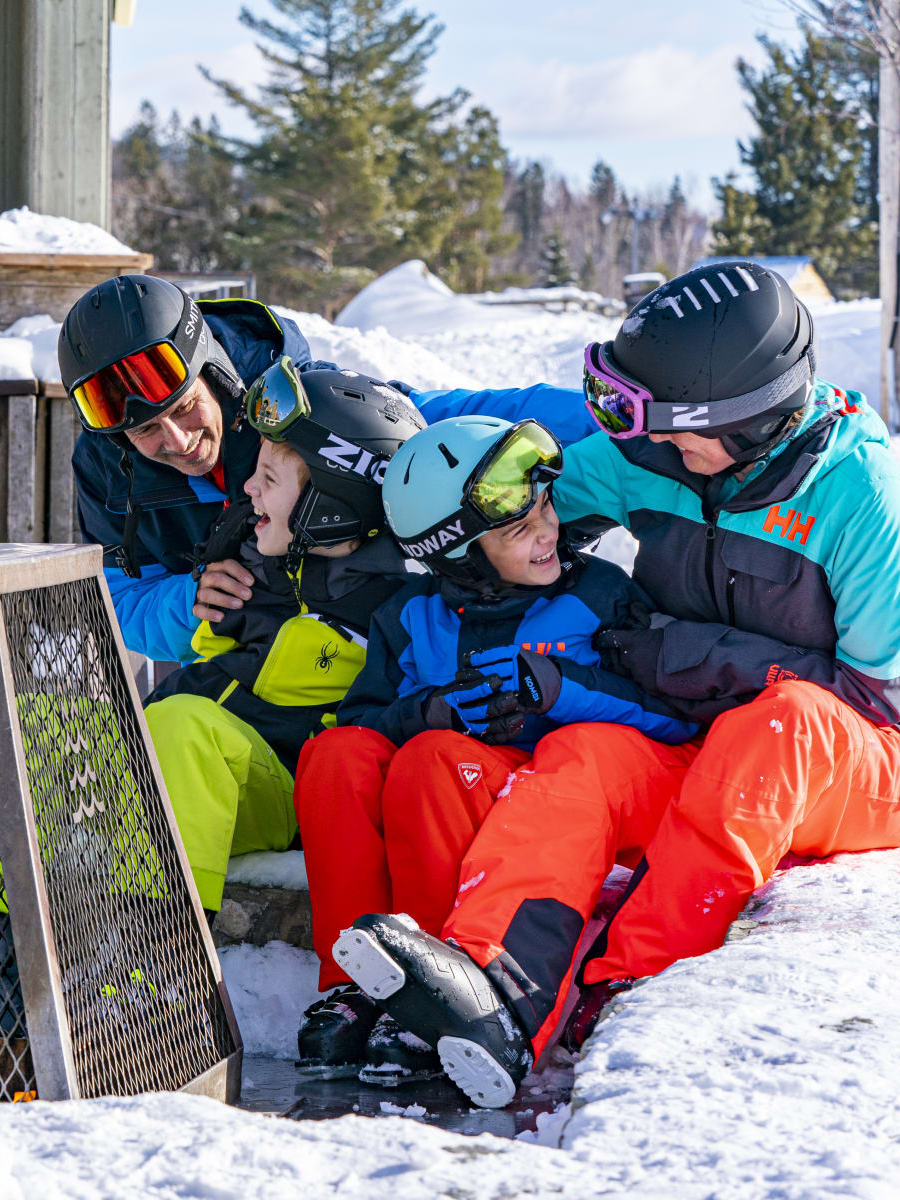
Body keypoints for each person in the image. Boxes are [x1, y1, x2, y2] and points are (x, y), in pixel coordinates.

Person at [328, 260, 900, 1109]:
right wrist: (369, 444)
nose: (652, 443)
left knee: (778, 725)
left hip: (870, 758)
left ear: (746, 419)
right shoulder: (655, 460)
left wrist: (676, 651)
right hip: (701, 733)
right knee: (585, 754)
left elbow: (867, 699)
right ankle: (493, 993)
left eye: (670, 426)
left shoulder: (866, 500)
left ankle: (628, 983)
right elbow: (504, 484)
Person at [294, 415, 698, 1086]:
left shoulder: (601, 595)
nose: (547, 532)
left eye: (545, 508)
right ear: (459, 555)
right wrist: (425, 711)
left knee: (433, 761)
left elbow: (671, 716)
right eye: (518, 529)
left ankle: (431, 985)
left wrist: (566, 692)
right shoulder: (409, 617)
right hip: (443, 794)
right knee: (336, 754)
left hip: (545, 800)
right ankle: (354, 983)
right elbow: (364, 721)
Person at [58, 276, 602, 666]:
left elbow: (434, 424)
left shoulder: (294, 405)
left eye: (183, 409)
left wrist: (615, 414)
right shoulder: (110, 470)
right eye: (145, 430)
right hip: (243, 665)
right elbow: (119, 598)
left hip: (368, 653)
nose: (176, 442)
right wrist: (186, 602)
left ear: (214, 370)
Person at [141, 359, 427, 914]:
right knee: (21, 721)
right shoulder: (251, 564)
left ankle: (157, 952)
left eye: (269, 480)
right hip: (176, 769)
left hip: (275, 793)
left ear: (330, 511)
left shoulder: (398, 611)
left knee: (184, 728)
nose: (247, 487)